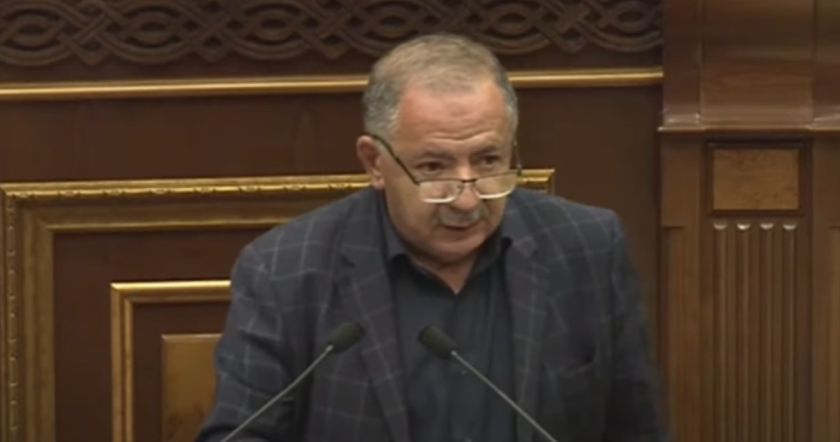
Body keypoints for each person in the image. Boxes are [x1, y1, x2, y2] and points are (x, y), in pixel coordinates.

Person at [198, 33, 666, 442]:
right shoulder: (284, 271)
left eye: (488, 161)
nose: (467, 199)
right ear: (374, 162)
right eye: (433, 167)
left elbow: (637, 431)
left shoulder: (588, 249)